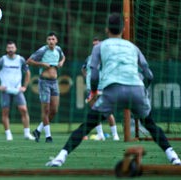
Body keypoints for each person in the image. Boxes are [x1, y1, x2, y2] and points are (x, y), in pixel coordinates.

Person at [46, 13, 181, 167]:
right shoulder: (133, 47)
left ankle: (60, 158)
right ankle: (174, 158)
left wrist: (95, 91)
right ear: (123, 30)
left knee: (87, 126)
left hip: (113, 91)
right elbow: (148, 74)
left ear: (106, 29)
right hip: (136, 90)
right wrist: (144, 91)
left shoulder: (99, 47)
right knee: (151, 125)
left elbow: (94, 74)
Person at [0, 41, 35, 141]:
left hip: (17, 90)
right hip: (5, 90)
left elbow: (27, 72)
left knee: (24, 110)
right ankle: (8, 134)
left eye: (12, 47)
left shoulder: (20, 59)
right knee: (5, 112)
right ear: (6, 49)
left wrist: (24, 86)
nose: (10, 49)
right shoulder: (2, 60)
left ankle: (27, 133)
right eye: (9, 48)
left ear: (15, 49)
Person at [27, 32, 66, 143]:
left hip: (54, 82)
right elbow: (29, 61)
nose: (51, 41)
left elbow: (63, 57)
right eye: (49, 39)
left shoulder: (58, 50)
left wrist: (61, 62)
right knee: (46, 110)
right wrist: (41, 64)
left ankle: (38, 130)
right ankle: (48, 136)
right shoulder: (42, 50)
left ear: (56, 41)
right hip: (44, 82)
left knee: (54, 110)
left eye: (53, 39)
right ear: (46, 41)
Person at [81, 37, 119, 141]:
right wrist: (88, 77)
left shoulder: (106, 57)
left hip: (102, 87)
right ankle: (100, 134)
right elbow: (83, 68)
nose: (95, 47)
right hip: (91, 88)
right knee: (94, 112)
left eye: (97, 44)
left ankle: (115, 135)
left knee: (107, 112)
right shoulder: (89, 58)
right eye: (94, 45)